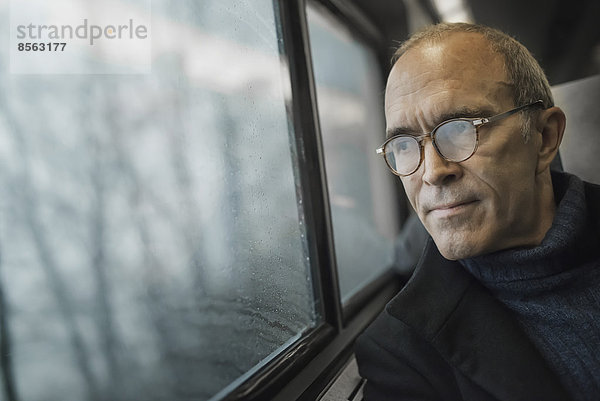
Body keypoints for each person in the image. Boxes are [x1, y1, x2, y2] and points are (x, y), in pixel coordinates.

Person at [354, 22, 600, 401]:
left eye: (460, 128)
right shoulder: (401, 353)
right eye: (403, 144)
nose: (433, 172)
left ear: (544, 137)